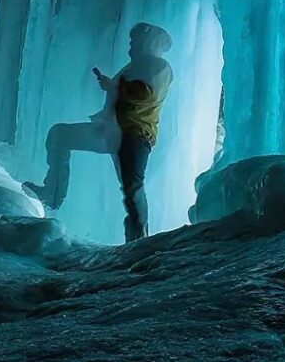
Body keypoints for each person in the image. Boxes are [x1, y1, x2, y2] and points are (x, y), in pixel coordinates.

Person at [23, 22, 174, 242]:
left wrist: (114, 86)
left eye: (134, 40)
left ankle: (140, 239)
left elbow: (145, 94)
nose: (130, 46)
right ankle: (52, 193)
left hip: (133, 134)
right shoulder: (135, 67)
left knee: (133, 187)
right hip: (112, 131)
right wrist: (112, 87)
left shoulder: (160, 66)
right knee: (60, 135)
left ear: (148, 40)